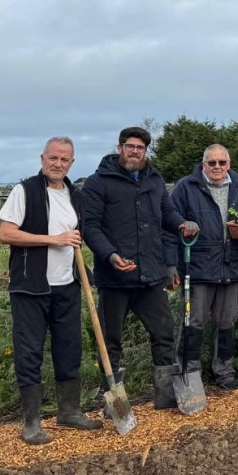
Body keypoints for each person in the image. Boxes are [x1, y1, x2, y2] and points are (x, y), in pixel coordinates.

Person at [82, 127, 199, 410]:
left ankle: (165, 395)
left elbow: (166, 213)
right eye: (129, 146)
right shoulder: (99, 183)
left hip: (149, 276)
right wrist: (110, 256)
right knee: (111, 340)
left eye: (140, 148)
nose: (135, 151)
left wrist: (181, 223)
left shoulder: (154, 180)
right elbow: (90, 227)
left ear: (146, 151)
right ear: (120, 148)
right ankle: (113, 401)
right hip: (114, 278)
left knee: (163, 332)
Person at [0, 136, 102, 445]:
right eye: (53, 158)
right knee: (30, 351)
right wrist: (52, 239)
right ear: (42, 159)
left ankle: (68, 410)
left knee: (69, 347)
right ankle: (31, 421)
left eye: (64, 159)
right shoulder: (25, 191)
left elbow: (77, 235)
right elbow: (6, 234)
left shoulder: (74, 195)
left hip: (67, 285)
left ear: (72, 163)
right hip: (31, 286)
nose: (58, 164)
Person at [167, 144, 238, 391]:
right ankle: (189, 371)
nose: (217, 167)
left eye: (221, 162)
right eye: (212, 163)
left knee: (226, 322)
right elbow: (168, 225)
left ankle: (224, 372)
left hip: (230, 266)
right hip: (196, 267)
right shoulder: (185, 188)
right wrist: (171, 265)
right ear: (203, 165)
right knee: (193, 322)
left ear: (228, 165)